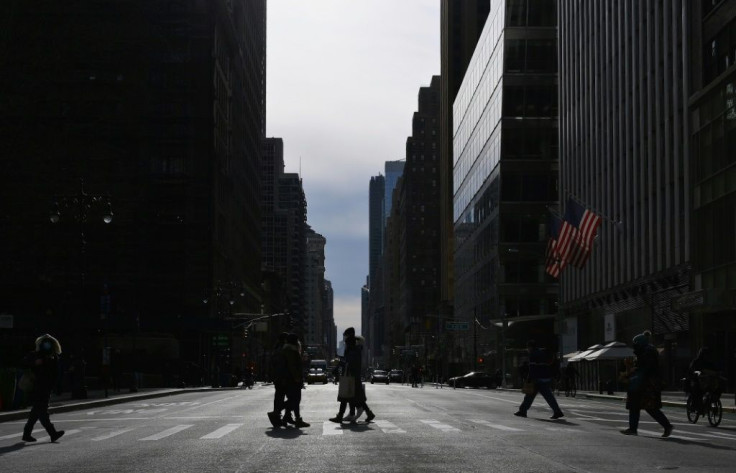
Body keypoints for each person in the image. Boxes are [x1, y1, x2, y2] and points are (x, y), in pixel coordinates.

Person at [620, 331, 673, 437]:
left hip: (646, 384)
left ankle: (666, 425)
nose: (634, 347)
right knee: (638, 406)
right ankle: (633, 428)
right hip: (645, 383)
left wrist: (633, 369)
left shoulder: (646, 353)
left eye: (635, 344)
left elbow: (646, 368)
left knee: (647, 407)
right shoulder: (648, 351)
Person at [22, 334, 65, 443]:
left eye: (49, 343)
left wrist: (56, 387)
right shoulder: (36, 355)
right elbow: (24, 362)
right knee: (42, 411)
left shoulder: (53, 356)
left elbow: (55, 374)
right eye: (45, 342)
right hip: (37, 387)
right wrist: (34, 363)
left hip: (46, 388)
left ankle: (27, 434)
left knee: (36, 412)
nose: (46, 345)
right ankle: (52, 433)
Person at [330, 328, 375, 423]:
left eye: (345, 335)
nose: (344, 337)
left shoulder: (352, 348)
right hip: (353, 376)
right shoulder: (354, 347)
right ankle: (367, 413)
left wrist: (339, 364)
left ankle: (341, 416)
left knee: (345, 396)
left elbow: (348, 362)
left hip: (351, 376)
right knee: (355, 397)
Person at [514, 340, 564, 420]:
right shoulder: (543, 353)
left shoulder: (533, 354)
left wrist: (529, 378)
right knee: (545, 396)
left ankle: (523, 411)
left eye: (528, 347)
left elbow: (532, 368)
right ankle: (557, 411)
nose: (527, 349)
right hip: (546, 378)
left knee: (530, 396)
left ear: (530, 347)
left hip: (537, 379)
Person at [282, 333, 310, 428]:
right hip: (292, 380)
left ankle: (286, 417)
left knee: (293, 400)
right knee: (295, 400)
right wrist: (297, 378)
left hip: (290, 379)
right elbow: (292, 366)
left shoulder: (288, 350)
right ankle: (297, 419)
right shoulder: (291, 351)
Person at [267, 332, 289, 428]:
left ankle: (280, 417)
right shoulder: (282, 349)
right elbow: (281, 365)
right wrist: (283, 377)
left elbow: (272, 364)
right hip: (282, 377)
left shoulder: (276, 349)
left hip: (277, 377)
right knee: (291, 398)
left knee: (279, 397)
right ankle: (276, 414)